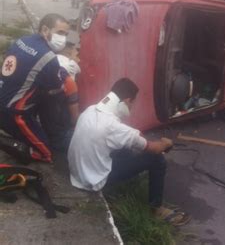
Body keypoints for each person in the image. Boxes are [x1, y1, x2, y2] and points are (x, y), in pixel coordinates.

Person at [68, 78, 191, 226]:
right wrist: (166, 143)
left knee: (126, 148)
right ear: (126, 101)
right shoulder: (114, 126)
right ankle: (156, 209)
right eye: (133, 102)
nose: (132, 107)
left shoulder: (89, 110)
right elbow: (155, 148)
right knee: (156, 159)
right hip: (93, 181)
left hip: (77, 175)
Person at [0, 13, 69, 163]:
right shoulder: (48, 57)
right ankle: (13, 143)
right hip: (13, 112)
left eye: (66, 34)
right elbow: (56, 87)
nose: (63, 38)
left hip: (3, 93)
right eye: (60, 33)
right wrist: (63, 74)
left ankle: (18, 130)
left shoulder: (22, 40)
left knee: (39, 90)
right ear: (45, 30)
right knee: (47, 153)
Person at [38, 31, 81, 154]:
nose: (79, 58)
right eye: (77, 53)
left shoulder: (48, 62)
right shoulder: (69, 78)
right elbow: (75, 118)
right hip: (57, 135)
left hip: (41, 122)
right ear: (70, 54)